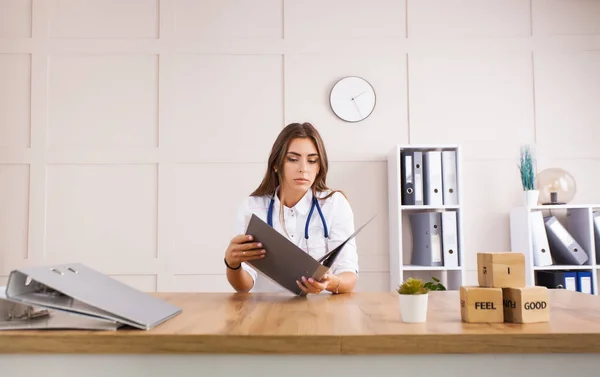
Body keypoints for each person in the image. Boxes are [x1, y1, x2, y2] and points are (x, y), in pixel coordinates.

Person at [223, 122, 359, 294]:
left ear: (319, 167)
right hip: (267, 314)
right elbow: (244, 285)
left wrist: (330, 283)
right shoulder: (252, 207)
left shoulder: (335, 204)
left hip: (320, 313)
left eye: (312, 161)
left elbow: (348, 275)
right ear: (276, 164)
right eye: (293, 159)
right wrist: (232, 264)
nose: (303, 169)